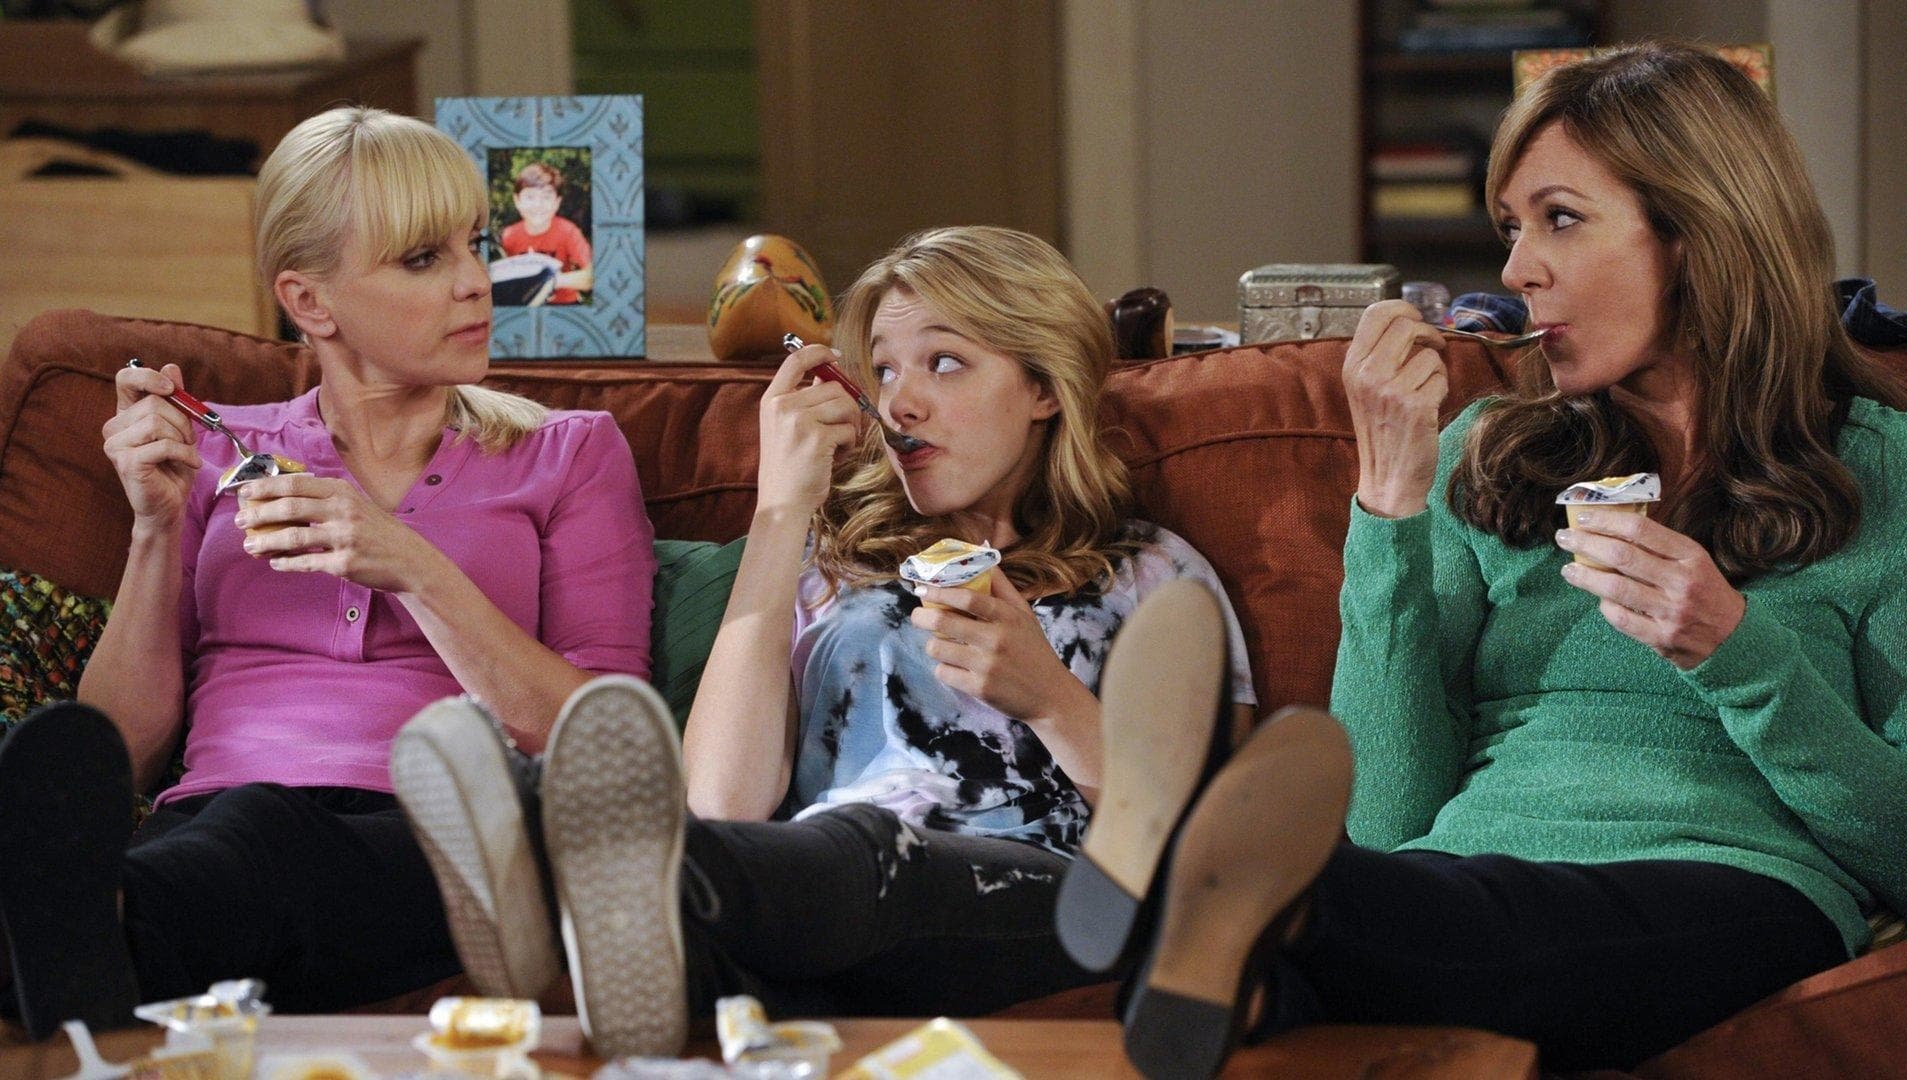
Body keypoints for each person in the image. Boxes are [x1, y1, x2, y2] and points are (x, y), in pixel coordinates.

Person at [1057, 41, 1907, 1077]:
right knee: (1335, 958)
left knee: (1405, 935)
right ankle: (1230, 914)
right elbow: (1386, 817)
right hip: (1453, 879)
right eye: (1511, 228)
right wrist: (1389, 501)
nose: (1516, 272)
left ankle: (1213, 879)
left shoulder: (1889, 472)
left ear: (1699, 233)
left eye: (1560, 219)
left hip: (1733, 887)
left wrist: (1739, 651)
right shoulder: (1492, 454)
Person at [392, 225, 1257, 1057]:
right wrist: (782, 513)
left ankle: (558, 851)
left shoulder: (1152, 575)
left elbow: (1208, 852)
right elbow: (720, 804)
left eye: (944, 362)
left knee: (873, 853)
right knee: (735, 967)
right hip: (814, 899)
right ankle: (591, 895)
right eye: (883, 369)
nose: (899, 401)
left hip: (1042, 893)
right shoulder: (831, 564)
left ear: (1044, 388)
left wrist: (1053, 702)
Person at [0, 106, 655, 1036]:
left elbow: (604, 743)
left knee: (260, 842)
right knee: (232, 842)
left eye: (474, 245)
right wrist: (153, 527)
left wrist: (415, 568)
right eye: (424, 259)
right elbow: (121, 753)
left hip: (447, 837)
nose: (477, 281)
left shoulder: (570, 453)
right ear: (309, 303)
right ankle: (87, 936)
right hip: (205, 822)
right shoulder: (217, 450)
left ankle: (82, 935)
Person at [497, 161, 593, 304]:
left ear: (557, 202)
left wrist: (550, 281)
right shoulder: (509, 236)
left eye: (546, 197)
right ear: (517, 201)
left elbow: (592, 275)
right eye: (530, 197)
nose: (538, 204)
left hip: (564, 304)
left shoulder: (568, 231)